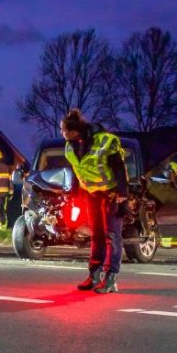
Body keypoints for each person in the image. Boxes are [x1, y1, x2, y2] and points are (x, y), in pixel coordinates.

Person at [61, 109, 128, 294]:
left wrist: (122, 195)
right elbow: (77, 171)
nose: (62, 133)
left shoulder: (106, 141)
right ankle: (94, 275)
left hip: (111, 194)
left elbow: (120, 169)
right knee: (96, 234)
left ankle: (111, 278)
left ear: (75, 130)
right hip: (92, 195)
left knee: (112, 235)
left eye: (64, 130)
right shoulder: (70, 146)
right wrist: (74, 195)